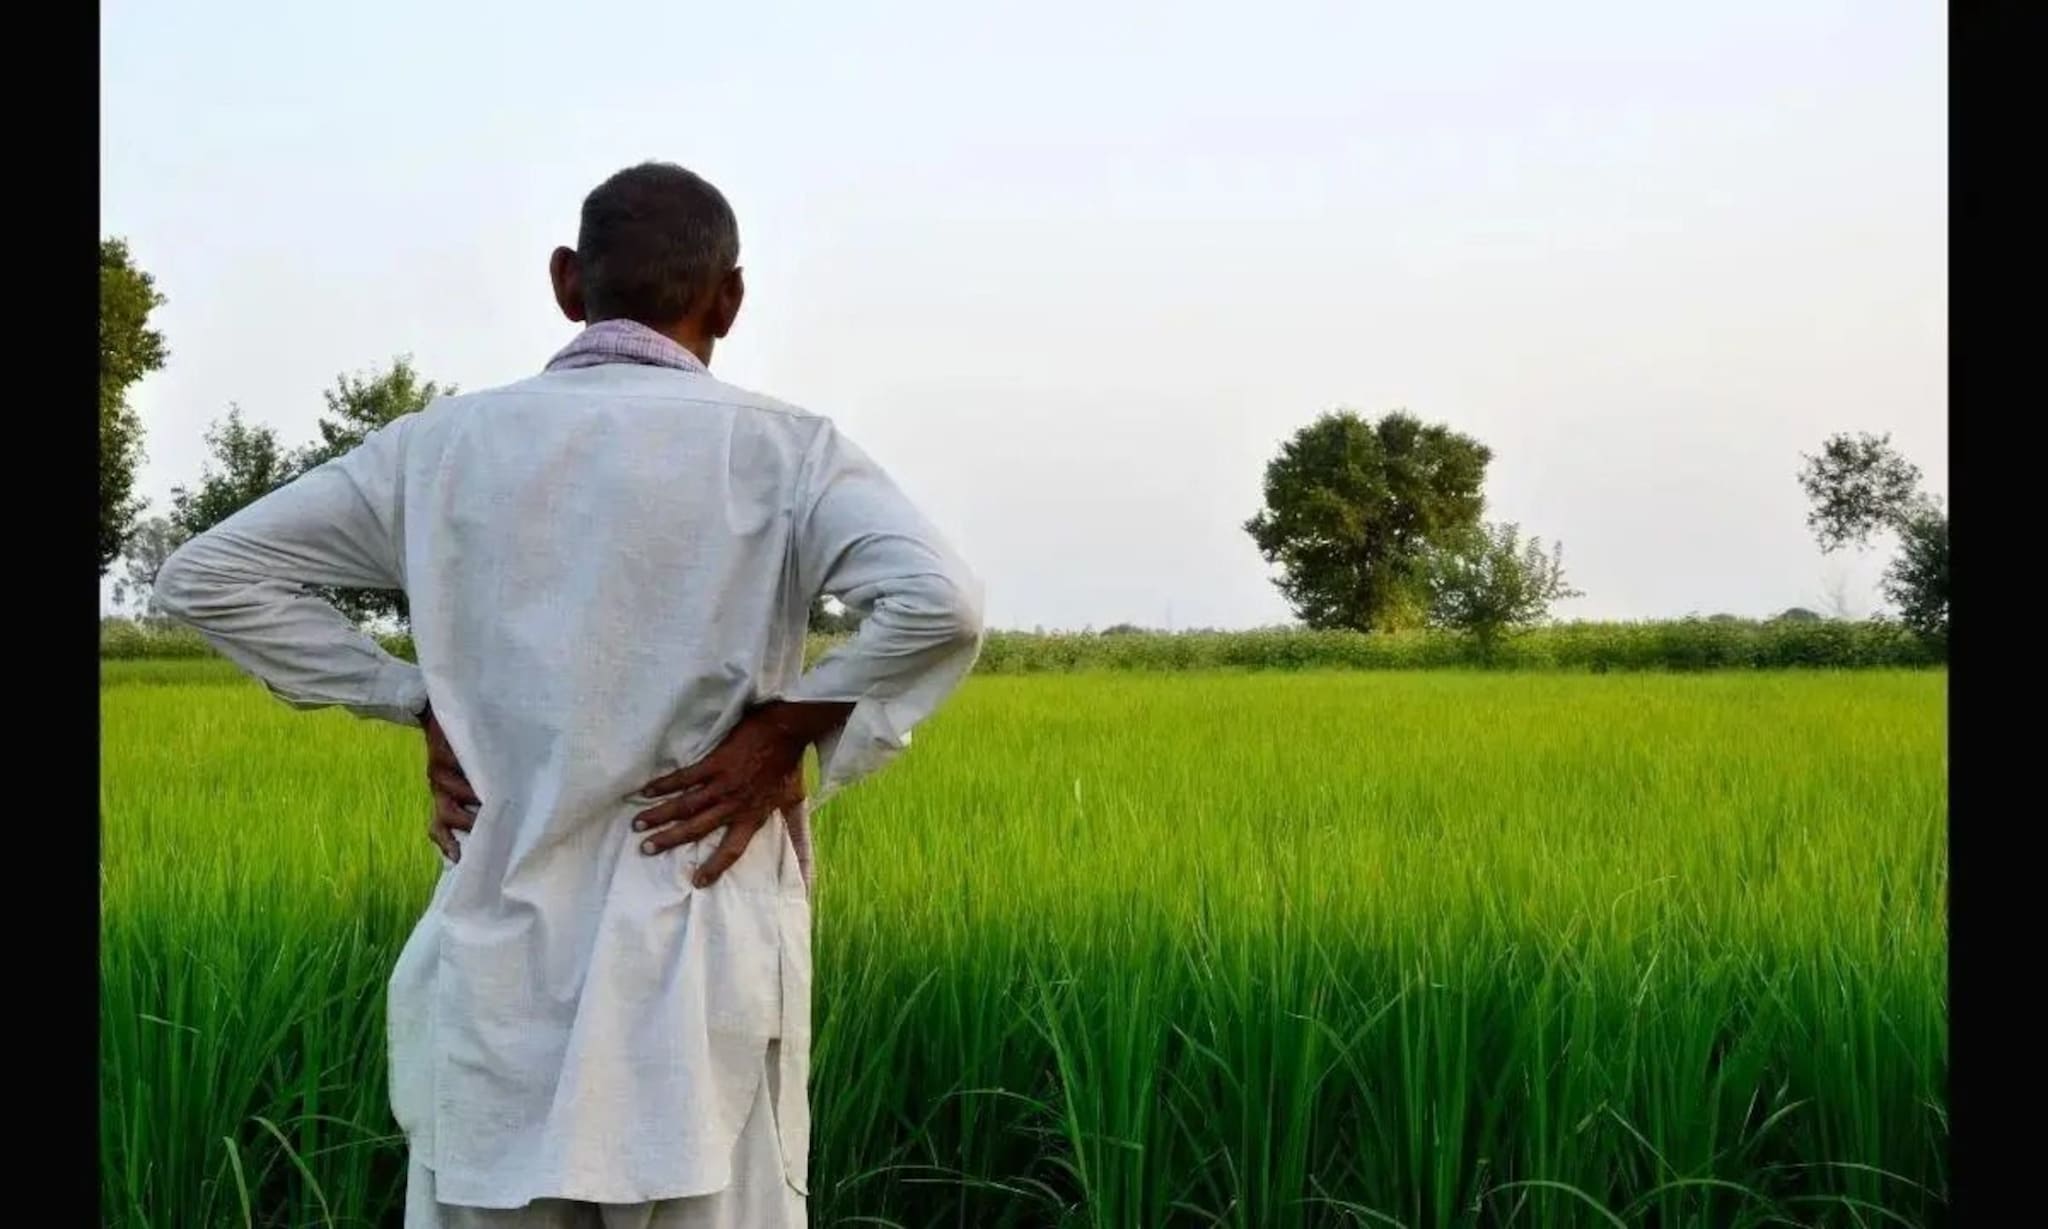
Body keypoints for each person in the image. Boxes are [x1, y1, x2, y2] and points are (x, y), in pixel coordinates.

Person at [154, 161, 985, 1228]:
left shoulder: (439, 449)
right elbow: (941, 602)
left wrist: (408, 696)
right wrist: (789, 725)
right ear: (729, 299)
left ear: (564, 283)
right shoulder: (785, 451)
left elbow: (205, 574)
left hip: (501, 992)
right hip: (695, 985)